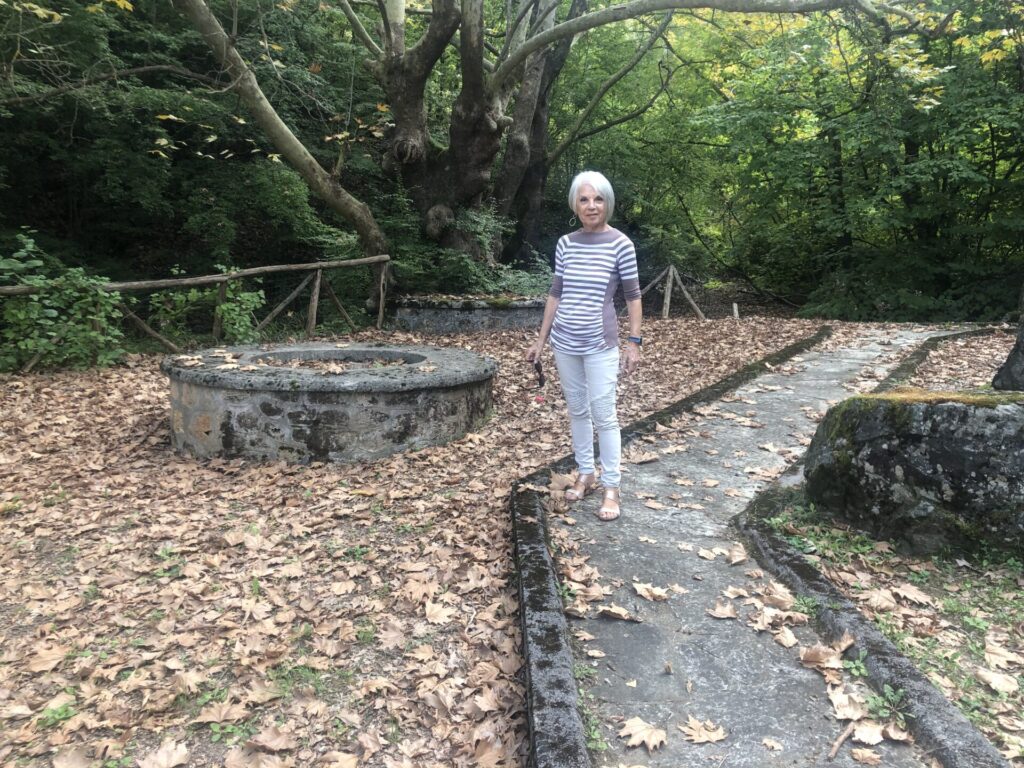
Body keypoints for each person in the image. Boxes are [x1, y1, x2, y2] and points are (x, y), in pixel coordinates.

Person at [526, 170, 643, 521]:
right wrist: (541, 339)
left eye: (598, 199)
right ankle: (585, 473)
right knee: (577, 409)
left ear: (607, 203)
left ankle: (612, 486)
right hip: (564, 342)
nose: (591, 206)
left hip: (600, 342)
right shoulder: (566, 243)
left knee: (604, 414)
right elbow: (556, 293)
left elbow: (633, 297)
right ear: (575, 205)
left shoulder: (621, 244)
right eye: (584, 199)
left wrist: (633, 342)